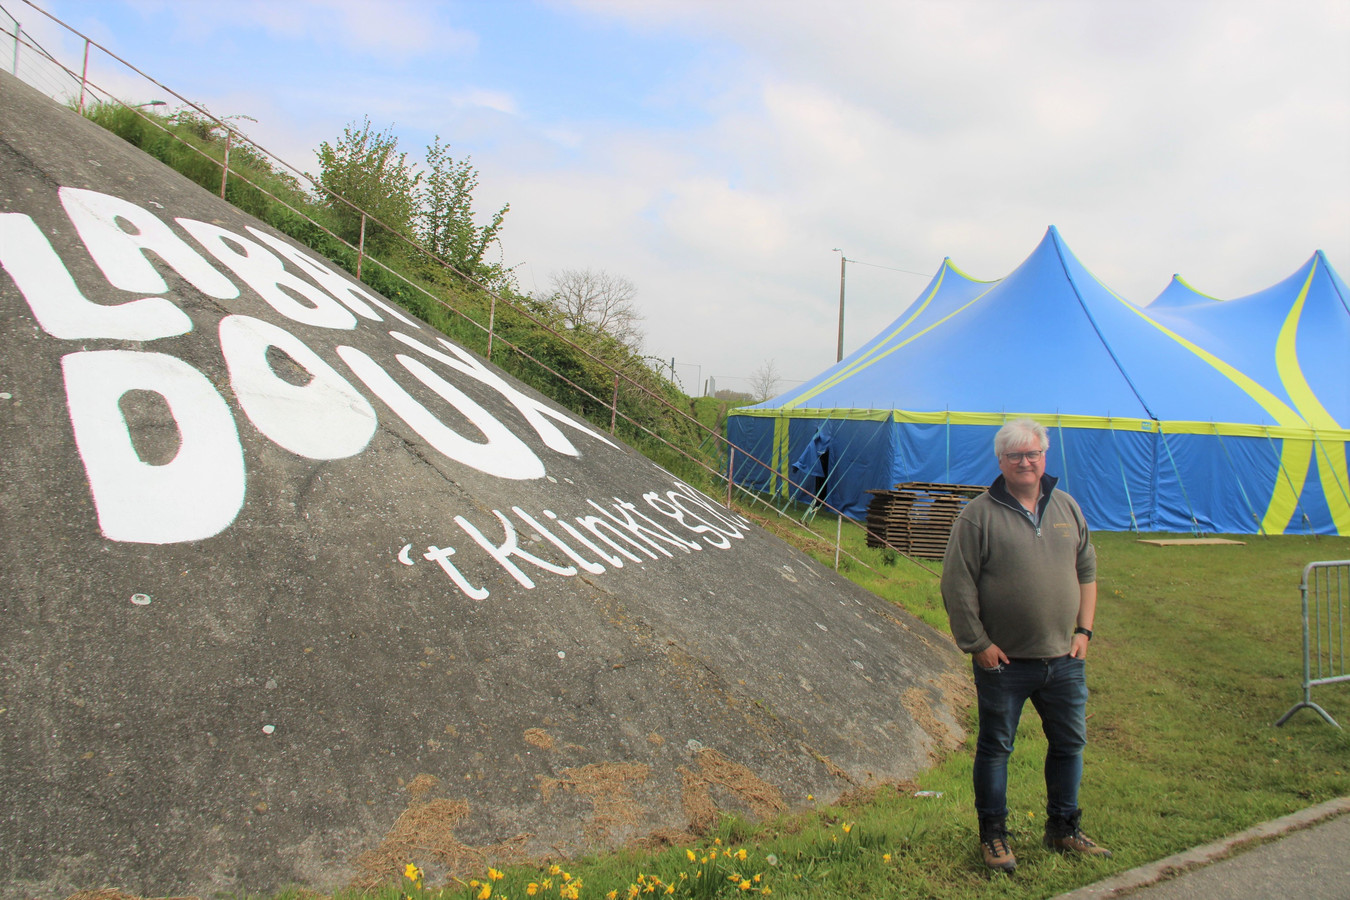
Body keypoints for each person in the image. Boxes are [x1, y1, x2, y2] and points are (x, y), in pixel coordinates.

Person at [940, 418, 1112, 874]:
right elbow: (957, 585)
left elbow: (1087, 572)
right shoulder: (978, 515)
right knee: (996, 747)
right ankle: (993, 836)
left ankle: (1063, 828)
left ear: (1044, 457)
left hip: (1065, 658)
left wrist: (1084, 632)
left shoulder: (1068, 508)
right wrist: (977, 643)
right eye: (1015, 455)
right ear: (1000, 461)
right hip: (1005, 662)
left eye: (1032, 454)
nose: (1025, 462)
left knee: (1070, 744)